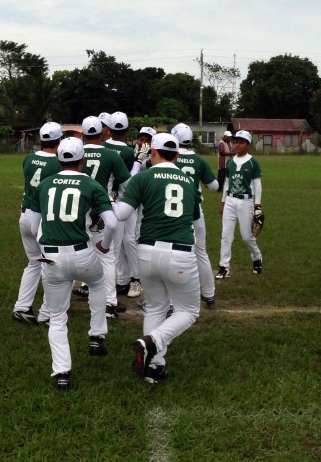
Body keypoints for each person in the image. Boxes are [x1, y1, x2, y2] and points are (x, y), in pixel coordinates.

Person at [27, 137, 117, 390]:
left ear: (58, 160)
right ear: (83, 160)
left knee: (57, 317)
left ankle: (61, 372)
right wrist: (105, 245)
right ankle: (97, 335)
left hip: (51, 256)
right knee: (97, 284)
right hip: (82, 252)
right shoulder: (91, 184)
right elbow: (111, 223)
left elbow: (34, 227)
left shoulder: (44, 184)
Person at [112, 133, 199, 384]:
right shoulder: (187, 180)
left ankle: (154, 366)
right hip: (180, 251)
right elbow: (193, 218)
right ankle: (153, 342)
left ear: (153, 153)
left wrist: (110, 201)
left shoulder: (143, 177)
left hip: (147, 250)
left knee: (156, 306)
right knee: (189, 310)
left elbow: (122, 214)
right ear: (177, 155)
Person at [79, 115, 131, 318]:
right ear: (102, 133)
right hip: (101, 208)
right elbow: (127, 184)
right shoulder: (110, 154)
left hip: (76, 208)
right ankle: (109, 302)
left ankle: (55, 305)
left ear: (83, 134)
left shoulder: (76, 152)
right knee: (107, 256)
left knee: (78, 251)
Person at [12, 122, 64, 325]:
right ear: (59, 140)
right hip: (42, 217)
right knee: (51, 265)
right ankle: (48, 313)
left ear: (41, 140)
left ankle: (22, 307)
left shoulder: (29, 158)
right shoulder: (57, 163)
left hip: (25, 214)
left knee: (34, 263)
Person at [171, 124, 220, 308]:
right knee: (200, 252)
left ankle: (172, 300)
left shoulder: (170, 157)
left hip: (173, 211)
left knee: (173, 252)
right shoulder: (198, 160)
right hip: (195, 210)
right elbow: (215, 186)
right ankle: (209, 294)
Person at [101, 111, 141, 299]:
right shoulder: (127, 151)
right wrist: (138, 162)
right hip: (124, 199)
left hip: (106, 199)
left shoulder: (103, 147)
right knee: (127, 241)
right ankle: (131, 279)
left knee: (113, 243)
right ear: (127, 129)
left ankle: (125, 279)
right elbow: (128, 182)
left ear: (109, 128)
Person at [216, 130, 264, 279]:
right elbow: (227, 183)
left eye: (241, 142)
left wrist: (257, 205)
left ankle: (257, 257)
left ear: (248, 145)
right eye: (236, 142)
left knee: (247, 236)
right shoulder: (231, 162)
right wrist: (223, 202)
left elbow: (257, 185)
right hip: (230, 200)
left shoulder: (252, 162)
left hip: (246, 202)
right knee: (226, 235)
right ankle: (224, 267)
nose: (237, 145)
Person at [216, 125, 235, 190]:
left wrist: (234, 151)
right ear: (225, 136)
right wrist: (231, 153)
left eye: (230, 137)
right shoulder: (221, 143)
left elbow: (231, 149)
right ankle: (219, 188)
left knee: (228, 176)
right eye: (229, 137)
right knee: (221, 176)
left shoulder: (230, 143)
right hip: (222, 163)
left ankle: (227, 187)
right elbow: (221, 152)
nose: (230, 138)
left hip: (229, 162)